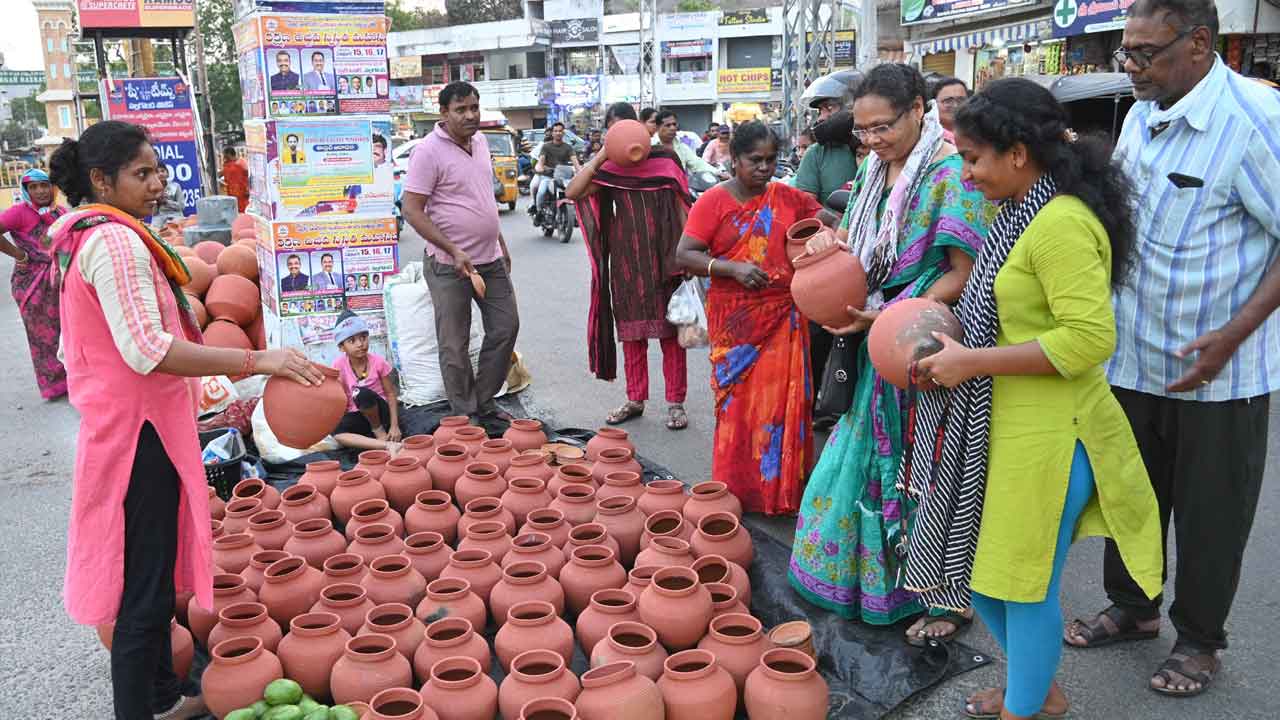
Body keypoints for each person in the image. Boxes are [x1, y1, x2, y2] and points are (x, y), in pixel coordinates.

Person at [905, 78, 1163, 720]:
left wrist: (970, 362)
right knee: (985, 578)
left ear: (1018, 153)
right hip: (1005, 424)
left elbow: (1089, 339)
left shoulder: (1060, 224)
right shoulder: (1021, 214)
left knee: (1022, 587)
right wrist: (944, 345)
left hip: (1053, 435)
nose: (966, 174)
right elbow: (1003, 318)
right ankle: (1038, 689)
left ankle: (1024, 707)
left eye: (973, 158)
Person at [47, 120, 320, 720]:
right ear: (101, 180)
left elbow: (79, 349)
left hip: (124, 428)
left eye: (158, 170)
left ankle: (162, 699)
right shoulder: (114, 243)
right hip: (137, 438)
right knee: (144, 596)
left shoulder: (84, 235)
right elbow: (147, 349)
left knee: (147, 580)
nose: (157, 184)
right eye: (141, 173)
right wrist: (256, 359)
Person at [1064, 0, 1280, 698]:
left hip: (1219, 371)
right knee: (1131, 493)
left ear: (1199, 43)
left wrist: (1233, 336)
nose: (1131, 67)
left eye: (1145, 53)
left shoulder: (1255, 120)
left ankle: (1200, 640)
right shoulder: (1141, 116)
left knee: (1211, 514)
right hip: (1132, 356)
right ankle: (1133, 608)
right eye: (1125, 51)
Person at [787, 63, 995, 639]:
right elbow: (854, 242)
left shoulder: (952, 173)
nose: (873, 139)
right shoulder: (873, 170)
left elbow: (965, 272)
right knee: (869, 463)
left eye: (884, 127)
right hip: (874, 340)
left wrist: (896, 316)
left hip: (926, 342)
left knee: (930, 470)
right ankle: (869, 584)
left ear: (918, 111)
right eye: (864, 130)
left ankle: (946, 597)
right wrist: (830, 247)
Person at [676, 121, 824, 515]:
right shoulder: (713, 202)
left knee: (782, 406)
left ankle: (780, 493)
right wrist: (732, 268)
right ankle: (738, 492)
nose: (764, 168)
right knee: (739, 408)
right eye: (754, 160)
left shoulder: (788, 197)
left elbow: (826, 220)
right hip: (737, 321)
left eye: (770, 160)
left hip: (785, 316)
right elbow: (685, 254)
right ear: (734, 160)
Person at [566, 102, 692, 430]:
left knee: (670, 335)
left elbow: (682, 207)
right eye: (613, 131)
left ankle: (675, 403)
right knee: (632, 335)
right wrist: (601, 156)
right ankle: (635, 399)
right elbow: (573, 191)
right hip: (627, 263)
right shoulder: (610, 169)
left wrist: (688, 255)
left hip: (665, 260)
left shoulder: (665, 160)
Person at [401, 81, 519, 423]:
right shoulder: (427, 151)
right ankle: (466, 416)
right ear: (443, 113)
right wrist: (453, 249)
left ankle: (482, 401)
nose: (470, 115)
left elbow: (482, 198)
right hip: (448, 265)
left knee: (506, 327)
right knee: (454, 344)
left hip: (489, 260)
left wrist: (500, 241)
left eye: (474, 108)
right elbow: (411, 210)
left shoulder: (480, 141)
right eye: (461, 109)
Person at [0, 168, 68, 400]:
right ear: (26, 190)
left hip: (60, 280)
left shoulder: (60, 212)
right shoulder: (18, 213)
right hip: (31, 283)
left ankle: (75, 378)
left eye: (44, 185)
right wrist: (18, 254)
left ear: (52, 187)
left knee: (68, 330)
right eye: (33, 187)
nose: (40, 191)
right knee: (42, 335)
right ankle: (54, 386)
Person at [331, 312, 402, 451]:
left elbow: (391, 394)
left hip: (381, 414)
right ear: (341, 347)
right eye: (352, 341)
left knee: (361, 394)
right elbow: (341, 398)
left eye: (363, 337)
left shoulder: (378, 362)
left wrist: (394, 426)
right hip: (359, 415)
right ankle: (386, 445)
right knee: (337, 432)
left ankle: (379, 432)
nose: (360, 344)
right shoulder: (338, 366)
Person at [529, 122, 580, 219]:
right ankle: (539, 212)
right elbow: (541, 161)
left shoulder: (568, 147)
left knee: (576, 193)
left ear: (563, 133)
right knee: (541, 192)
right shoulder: (546, 146)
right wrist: (540, 167)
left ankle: (576, 215)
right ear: (552, 133)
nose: (558, 133)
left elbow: (575, 162)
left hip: (563, 177)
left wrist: (580, 171)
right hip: (548, 177)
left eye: (560, 131)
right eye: (555, 131)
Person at [652, 110, 721, 178]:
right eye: (668, 125)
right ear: (658, 127)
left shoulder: (681, 147)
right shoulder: (650, 145)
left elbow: (698, 164)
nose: (673, 128)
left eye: (674, 124)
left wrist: (718, 173)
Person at [221, 146, 249, 212]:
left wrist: (247, 189)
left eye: (225, 155)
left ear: (229, 154)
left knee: (242, 211)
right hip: (232, 195)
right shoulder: (228, 165)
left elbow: (247, 176)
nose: (224, 157)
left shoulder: (241, 164)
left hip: (242, 194)